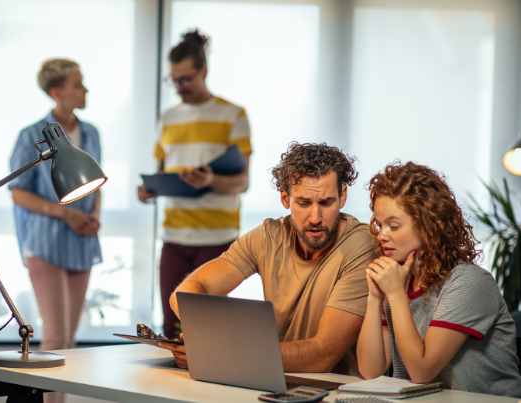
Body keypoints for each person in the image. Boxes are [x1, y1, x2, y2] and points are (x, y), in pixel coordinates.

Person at [160, 142, 378, 376]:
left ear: (342, 196)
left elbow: (323, 355)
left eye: (326, 203)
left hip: (339, 391)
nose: (315, 217)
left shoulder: (362, 245)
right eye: (304, 203)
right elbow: (185, 294)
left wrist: (219, 353)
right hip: (272, 380)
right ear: (285, 198)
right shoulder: (267, 237)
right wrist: (205, 341)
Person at [356, 162, 521, 398]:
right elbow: (370, 370)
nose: (382, 234)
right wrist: (375, 298)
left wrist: (395, 293)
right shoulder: (399, 281)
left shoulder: (469, 282)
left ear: (429, 226)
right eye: (380, 223)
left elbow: (421, 370)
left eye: (394, 225)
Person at [137, 29, 252, 339]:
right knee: (170, 328)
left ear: (203, 71)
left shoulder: (233, 115)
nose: (179, 87)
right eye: (173, 80)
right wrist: (149, 190)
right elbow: (160, 174)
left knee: (204, 329)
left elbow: (242, 182)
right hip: (174, 236)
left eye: (185, 79)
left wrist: (211, 179)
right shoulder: (168, 118)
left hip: (217, 239)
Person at [8, 58, 101, 403]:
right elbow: (18, 191)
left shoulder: (91, 133)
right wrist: (64, 215)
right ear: (57, 92)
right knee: (56, 338)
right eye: (78, 84)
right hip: (45, 242)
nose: (85, 89)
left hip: (81, 242)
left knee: (70, 343)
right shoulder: (31, 136)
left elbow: (95, 184)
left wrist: (94, 217)